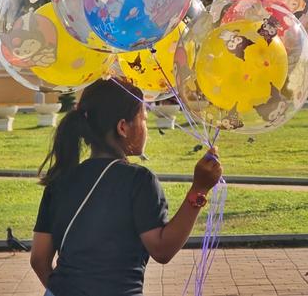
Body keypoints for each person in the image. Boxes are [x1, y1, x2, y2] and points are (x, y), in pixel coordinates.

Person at [30, 79, 222, 296]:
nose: (146, 129)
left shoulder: (60, 181)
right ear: (123, 127)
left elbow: (39, 259)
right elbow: (162, 249)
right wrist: (199, 189)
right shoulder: (138, 181)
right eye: (143, 120)